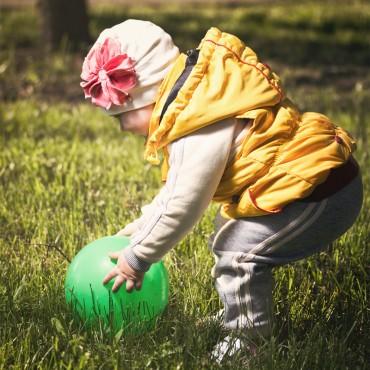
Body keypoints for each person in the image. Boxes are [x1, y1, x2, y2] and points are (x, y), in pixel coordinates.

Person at [80, 19, 363, 361]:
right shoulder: (199, 104)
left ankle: (249, 341)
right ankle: (238, 310)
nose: (123, 127)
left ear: (148, 92)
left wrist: (137, 258)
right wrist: (135, 233)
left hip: (318, 192)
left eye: (121, 116)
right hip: (312, 185)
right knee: (229, 232)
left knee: (237, 252)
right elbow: (172, 193)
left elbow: (183, 205)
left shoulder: (198, 127)